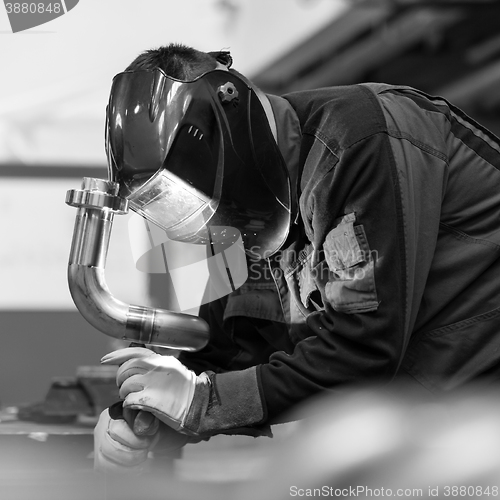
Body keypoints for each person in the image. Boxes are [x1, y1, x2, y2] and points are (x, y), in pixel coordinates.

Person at [93, 43, 500, 472]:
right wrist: (144, 417)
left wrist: (200, 400)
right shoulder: (242, 212)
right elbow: (227, 349)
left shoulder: (358, 139)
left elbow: (365, 348)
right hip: (426, 429)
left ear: (230, 123)